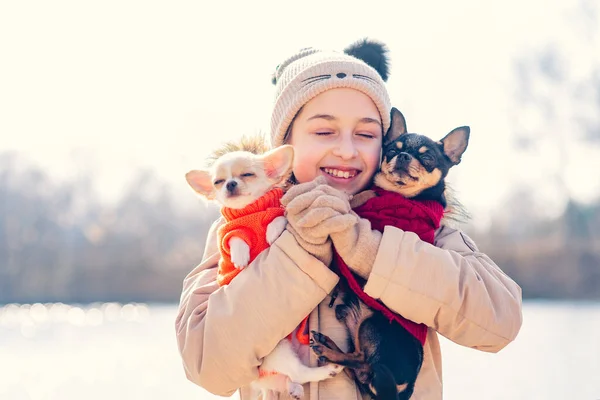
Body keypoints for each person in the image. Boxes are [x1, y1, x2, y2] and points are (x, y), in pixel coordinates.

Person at [175, 39, 523, 399]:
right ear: (284, 146)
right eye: (324, 132)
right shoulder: (242, 231)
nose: (346, 150)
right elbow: (206, 366)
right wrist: (302, 248)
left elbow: (500, 321)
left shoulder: (423, 230)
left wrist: (368, 248)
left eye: (367, 134)